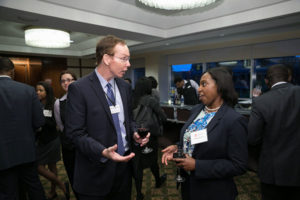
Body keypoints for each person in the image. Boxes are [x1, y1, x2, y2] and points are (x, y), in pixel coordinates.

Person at [65, 35, 149, 200]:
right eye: (124, 59)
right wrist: (103, 152)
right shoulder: (79, 88)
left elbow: (129, 120)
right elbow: (75, 133)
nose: (129, 64)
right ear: (106, 59)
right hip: (95, 170)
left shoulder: (124, 87)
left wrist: (134, 133)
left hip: (124, 167)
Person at [162, 67, 248, 200]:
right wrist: (178, 146)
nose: (199, 89)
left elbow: (239, 165)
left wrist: (197, 165)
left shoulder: (234, 120)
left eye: (204, 84)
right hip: (189, 186)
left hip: (213, 191)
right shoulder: (197, 110)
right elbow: (193, 138)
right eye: (199, 84)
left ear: (220, 86)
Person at [248, 64, 300, 200]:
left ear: (266, 81)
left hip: (272, 171)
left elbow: (252, 138)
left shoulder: (260, 102)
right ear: (289, 77)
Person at [0, 57, 46, 200]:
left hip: (2, 154)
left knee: (8, 192)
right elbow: (39, 121)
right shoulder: (27, 90)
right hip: (26, 150)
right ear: (12, 72)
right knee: (34, 188)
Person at [132, 77, 167, 200]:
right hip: (149, 135)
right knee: (152, 160)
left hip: (135, 136)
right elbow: (163, 116)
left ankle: (139, 193)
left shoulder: (131, 100)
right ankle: (158, 181)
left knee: (138, 164)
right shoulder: (150, 100)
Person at [36, 81, 70, 200]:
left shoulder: (54, 103)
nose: (38, 92)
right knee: (47, 166)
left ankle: (56, 188)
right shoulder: (37, 103)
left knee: (45, 166)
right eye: (37, 90)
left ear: (47, 91)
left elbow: (53, 124)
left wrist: (40, 118)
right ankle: (57, 188)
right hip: (42, 140)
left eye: (41, 90)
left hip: (52, 140)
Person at [54, 70, 78, 198]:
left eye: (69, 80)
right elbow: (61, 126)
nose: (66, 83)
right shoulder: (59, 103)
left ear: (75, 81)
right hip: (69, 145)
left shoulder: (84, 97)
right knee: (73, 173)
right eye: (63, 81)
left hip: (85, 145)